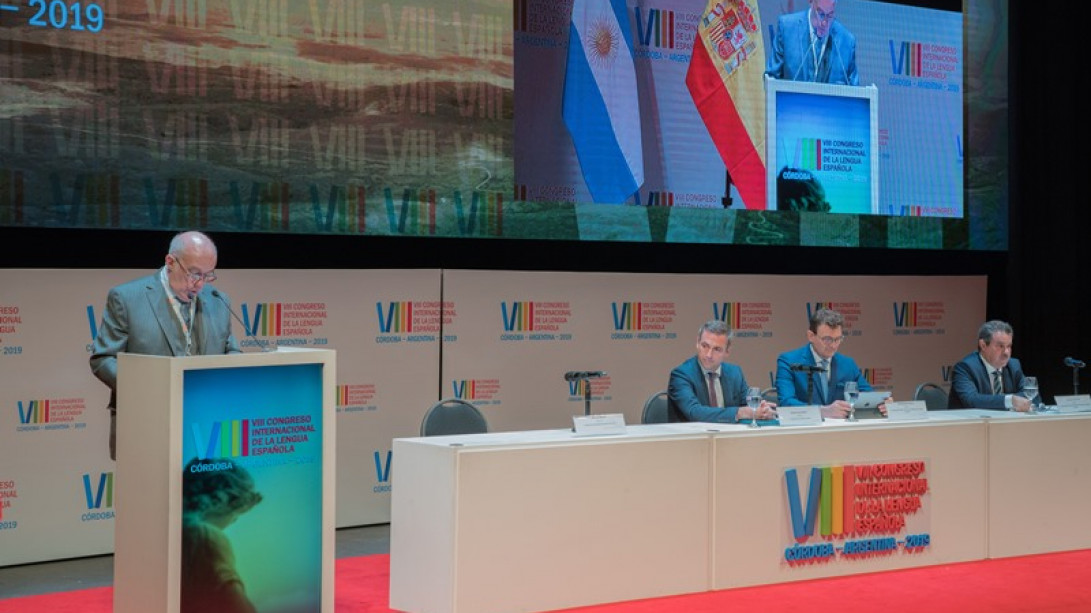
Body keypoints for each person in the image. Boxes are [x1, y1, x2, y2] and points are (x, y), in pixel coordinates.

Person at [89, 231, 241, 460]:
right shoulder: (127, 298)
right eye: (194, 274)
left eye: (208, 275)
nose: (199, 284)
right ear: (170, 262)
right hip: (146, 427)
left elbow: (232, 352)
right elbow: (103, 359)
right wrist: (151, 390)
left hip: (206, 429)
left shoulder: (218, 300)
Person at [181, 457, 263, 613]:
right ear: (225, 500)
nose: (235, 519)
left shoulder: (175, 535)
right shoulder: (204, 537)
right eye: (237, 511)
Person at [776, 308, 887, 417]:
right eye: (827, 339)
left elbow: (868, 396)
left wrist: (881, 403)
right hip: (805, 430)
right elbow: (786, 403)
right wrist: (823, 411)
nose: (834, 345)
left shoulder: (848, 364)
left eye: (838, 339)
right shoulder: (788, 361)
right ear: (811, 336)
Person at [668, 319, 776, 423]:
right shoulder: (681, 375)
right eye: (705, 346)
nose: (709, 354)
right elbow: (694, 413)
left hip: (730, 438)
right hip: (692, 439)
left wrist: (763, 410)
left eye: (717, 349)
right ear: (697, 343)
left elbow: (749, 404)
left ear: (727, 351)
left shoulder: (734, 373)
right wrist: (739, 413)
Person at [765, 0, 859, 85]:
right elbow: (771, 79)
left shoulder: (847, 42)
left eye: (830, 15)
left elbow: (856, 95)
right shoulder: (787, 28)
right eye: (821, 14)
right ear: (810, 2)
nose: (824, 23)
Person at [948, 320, 1031, 411]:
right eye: (1000, 346)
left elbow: (1031, 395)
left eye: (1009, 346)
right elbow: (971, 400)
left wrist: (1014, 400)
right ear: (983, 345)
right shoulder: (965, 368)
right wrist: (1009, 400)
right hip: (971, 423)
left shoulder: (1013, 365)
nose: (1006, 352)